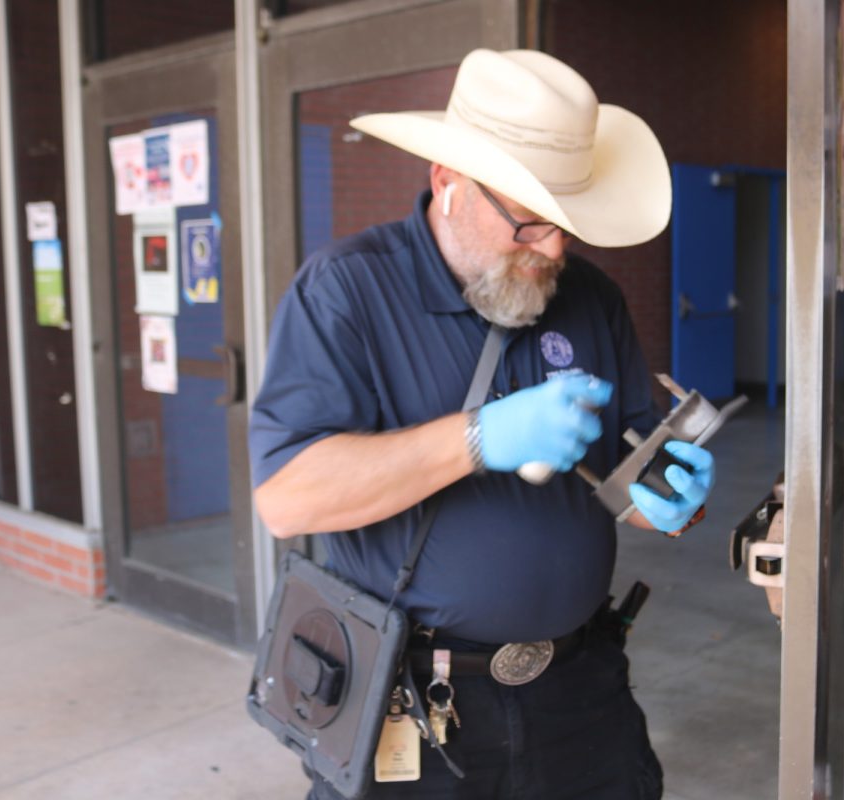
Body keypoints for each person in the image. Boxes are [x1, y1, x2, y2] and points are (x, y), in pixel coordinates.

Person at [249, 48, 716, 800]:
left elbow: (635, 451)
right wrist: (476, 438)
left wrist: (669, 495)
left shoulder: (589, 296)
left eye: (566, 224)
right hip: (416, 702)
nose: (554, 249)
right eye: (529, 224)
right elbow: (287, 498)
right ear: (448, 183)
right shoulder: (346, 292)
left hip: (580, 691)